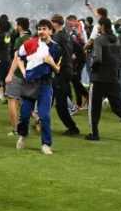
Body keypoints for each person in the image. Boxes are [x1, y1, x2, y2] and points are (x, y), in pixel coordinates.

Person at [84, 18, 121, 143]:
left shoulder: (99, 40)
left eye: (99, 25)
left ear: (102, 26)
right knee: (118, 108)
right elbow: (120, 58)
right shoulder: (116, 40)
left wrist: (93, 68)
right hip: (113, 78)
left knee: (94, 107)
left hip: (99, 78)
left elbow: (98, 59)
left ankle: (94, 133)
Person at [10, 19, 61, 154]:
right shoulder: (30, 43)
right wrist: (23, 71)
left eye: (44, 29)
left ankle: (46, 144)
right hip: (30, 84)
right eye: (39, 29)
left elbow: (58, 70)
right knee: (25, 114)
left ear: (50, 31)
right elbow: (19, 57)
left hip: (45, 84)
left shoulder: (56, 48)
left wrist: (52, 63)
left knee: (44, 115)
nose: (41, 31)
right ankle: (22, 136)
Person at [50, 15, 81, 135]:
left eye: (51, 22)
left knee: (60, 104)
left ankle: (73, 128)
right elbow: (78, 48)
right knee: (58, 99)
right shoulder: (66, 35)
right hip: (68, 69)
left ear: (55, 23)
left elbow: (55, 53)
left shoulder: (58, 36)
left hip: (61, 71)